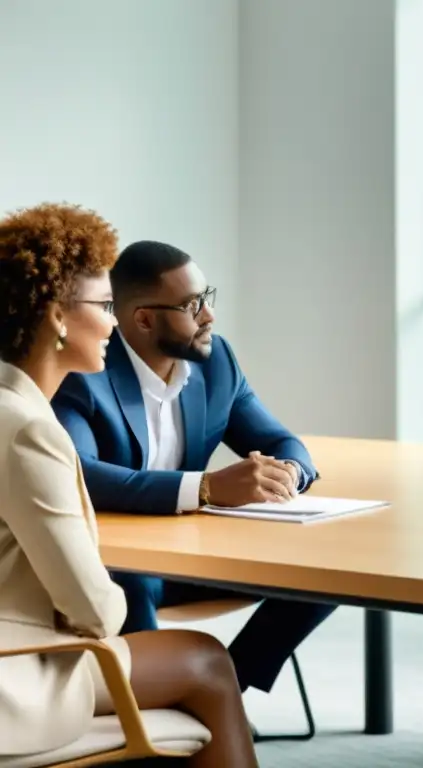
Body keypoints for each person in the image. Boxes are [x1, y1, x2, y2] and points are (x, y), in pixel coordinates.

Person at [0, 203, 257, 766]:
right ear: (56, 317)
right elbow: (93, 609)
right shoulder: (27, 430)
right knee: (207, 662)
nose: (117, 323)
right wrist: (112, 597)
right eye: (105, 306)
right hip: (17, 668)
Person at [52, 239, 335, 697]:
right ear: (144, 318)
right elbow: (80, 473)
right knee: (130, 584)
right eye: (192, 305)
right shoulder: (86, 372)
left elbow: (282, 442)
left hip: (195, 560)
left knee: (324, 568)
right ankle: (151, 714)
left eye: (208, 297)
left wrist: (288, 474)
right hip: (122, 567)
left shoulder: (215, 361)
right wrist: (204, 488)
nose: (209, 316)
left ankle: (224, 693)